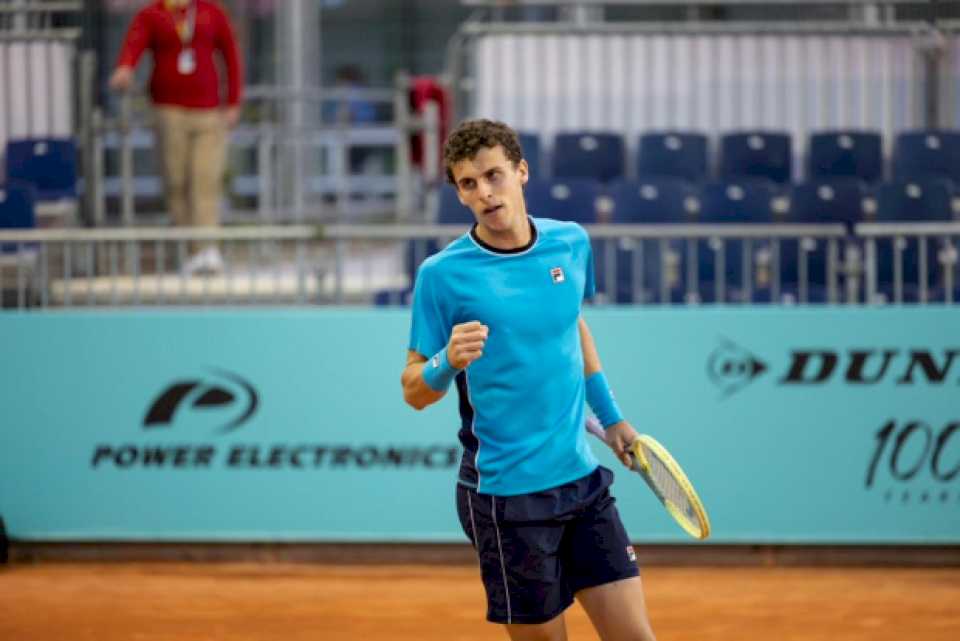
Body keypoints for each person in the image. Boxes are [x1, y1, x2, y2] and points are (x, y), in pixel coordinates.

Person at [401, 119, 657, 641]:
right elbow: (413, 391)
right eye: (468, 184)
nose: (484, 192)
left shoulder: (570, 242)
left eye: (494, 175)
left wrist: (612, 420)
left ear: (521, 171)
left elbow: (572, 326)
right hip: (506, 498)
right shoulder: (441, 275)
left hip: (583, 485)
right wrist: (446, 360)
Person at [110, 0, 244, 275]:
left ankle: (207, 249)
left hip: (208, 112)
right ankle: (188, 250)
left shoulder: (211, 12)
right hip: (168, 111)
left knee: (205, 180)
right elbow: (134, 45)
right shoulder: (153, 15)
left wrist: (233, 102)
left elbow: (231, 55)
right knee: (177, 182)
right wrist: (125, 67)